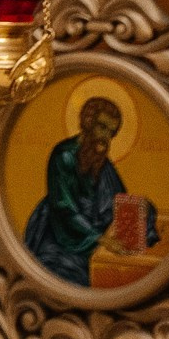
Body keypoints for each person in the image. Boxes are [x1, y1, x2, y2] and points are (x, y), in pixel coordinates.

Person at [21, 96, 151, 287]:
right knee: (73, 278)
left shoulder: (100, 161)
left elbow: (118, 197)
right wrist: (100, 238)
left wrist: (138, 209)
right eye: (102, 127)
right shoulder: (64, 156)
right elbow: (65, 208)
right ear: (88, 122)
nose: (106, 137)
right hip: (61, 236)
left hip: (96, 235)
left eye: (112, 133)